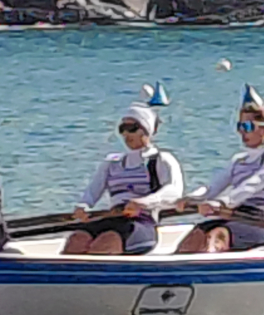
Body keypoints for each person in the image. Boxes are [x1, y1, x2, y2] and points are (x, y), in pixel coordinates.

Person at [62, 103, 184, 255]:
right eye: (122, 129)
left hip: (142, 222)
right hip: (113, 218)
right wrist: (83, 207)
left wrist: (143, 203)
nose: (126, 134)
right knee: (76, 240)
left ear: (146, 130)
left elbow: (174, 193)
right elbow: (91, 193)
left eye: (131, 128)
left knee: (107, 242)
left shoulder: (161, 159)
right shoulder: (112, 162)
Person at [176, 92, 264, 253]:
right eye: (239, 126)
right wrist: (191, 199)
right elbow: (212, 187)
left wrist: (222, 202)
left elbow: (251, 185)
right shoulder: (239, 160)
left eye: (247, 127)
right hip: (234, 215)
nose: (242, 132)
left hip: (261, 221)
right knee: (194, 237)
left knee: (216, 237)